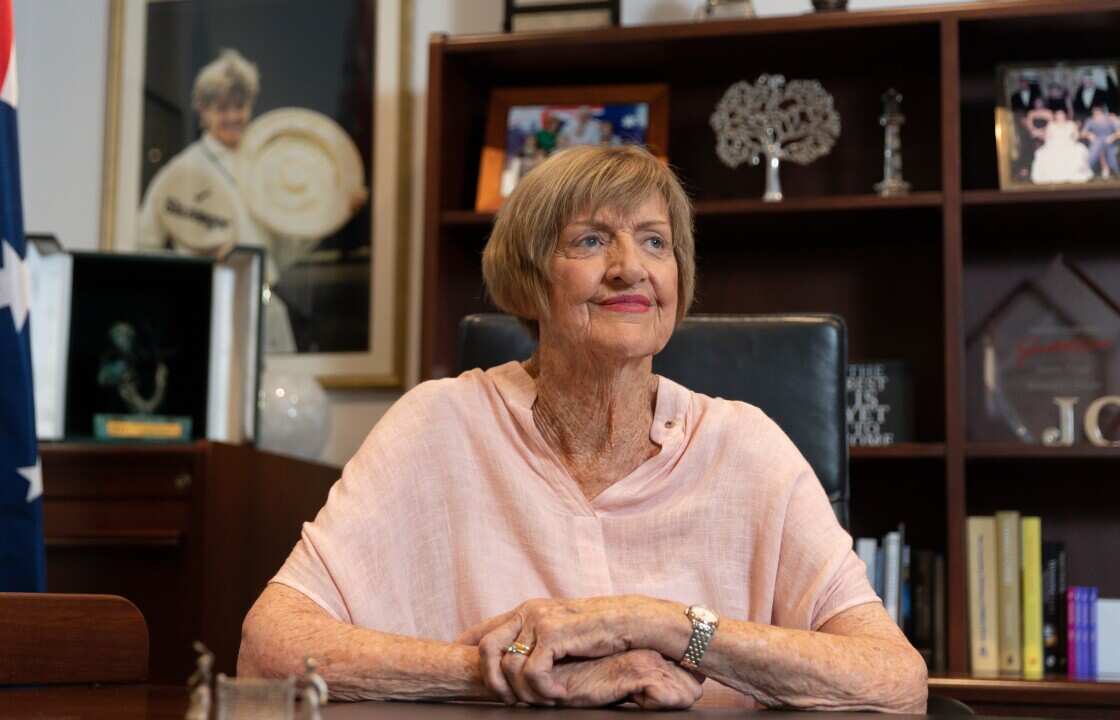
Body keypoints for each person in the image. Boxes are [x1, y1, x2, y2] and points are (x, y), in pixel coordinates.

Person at [238, 145, 928, 713]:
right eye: (592, 239)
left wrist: (655, 624)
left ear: (678, 281)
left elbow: (892, 680)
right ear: (531, 279)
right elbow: (268, 647)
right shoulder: (437, 426)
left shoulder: (746, 447)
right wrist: (521, 674)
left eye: (654, 241)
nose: (631, 266)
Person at [137, 49, 314, 353]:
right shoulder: (182, 171)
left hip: (264, 300)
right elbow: (145, 246)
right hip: (205, 304)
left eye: (239, 106)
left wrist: (325, 215)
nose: (232, 116)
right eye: (221, 108)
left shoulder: (265, 165)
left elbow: (284, 246)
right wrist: (195, 267)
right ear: (202, 110)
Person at [1030, 109, 1093, 184]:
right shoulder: (1051, 125)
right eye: (1058, 115)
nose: (1060, 116)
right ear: (1055, 116)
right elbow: (1047, 137)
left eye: (1061, 114)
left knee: (1078, 151)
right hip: (1054, 143)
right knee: (1043, 153)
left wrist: (1072, 139)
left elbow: (1076, 136)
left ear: (1065, 115)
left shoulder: (1071, 124)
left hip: (1068, 143)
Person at [1081, 105, 1120, 177]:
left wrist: (1112, 137)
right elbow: (1083, 133)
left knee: (1103, 147)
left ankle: (1111, 169)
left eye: (1099, 113)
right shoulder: (1090, 121)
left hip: (1109, 142)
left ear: (1103, 113)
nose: (1097, 116)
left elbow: (1118, 132)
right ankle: (1106, 169)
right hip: (1096, 141)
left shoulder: (1110, 120)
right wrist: (1089, 134)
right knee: (1097, 145)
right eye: (1095, 113)